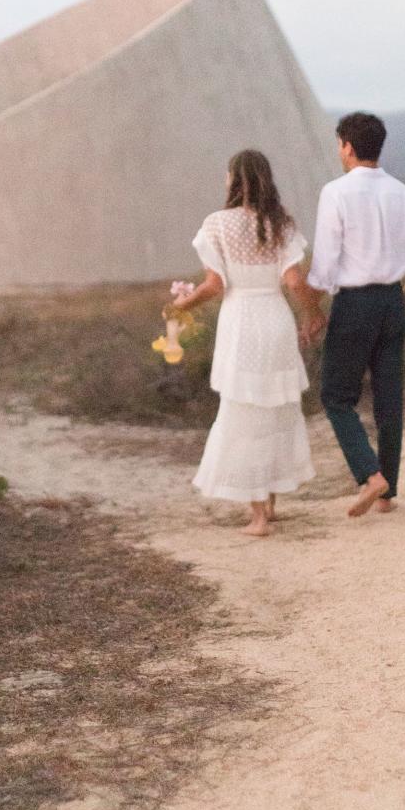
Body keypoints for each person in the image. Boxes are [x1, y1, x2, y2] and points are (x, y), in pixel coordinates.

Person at [173, 150, 323, 537]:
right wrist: (313, 315)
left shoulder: (217, 224)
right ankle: (269, 505)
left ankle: (257, 517)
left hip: (240, 322)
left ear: (233, 180)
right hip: (274, 319)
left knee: (243, 413)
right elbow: (293, 282)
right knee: (275, 411)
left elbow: (215, 285)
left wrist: (180, 305)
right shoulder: (282, 224)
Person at [307, 112, 405, 517]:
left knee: (336, 395)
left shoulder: (336, 192)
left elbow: (326, 261)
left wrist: (314, 303)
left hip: (355, 302)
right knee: (389, 397)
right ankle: (388, 492)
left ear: (347, 145)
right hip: (391, 301)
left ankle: (370, 474)